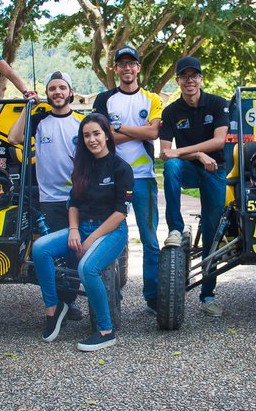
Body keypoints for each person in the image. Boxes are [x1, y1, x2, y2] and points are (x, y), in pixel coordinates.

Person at [31, 113, 133, 351]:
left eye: (96, 133)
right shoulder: (82, 167)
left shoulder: (121, 168)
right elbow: (74, 204)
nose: (92, 139)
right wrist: (74, 231)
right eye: (86, 135)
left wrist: (90, 240)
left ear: (107, 135)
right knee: (40, 248)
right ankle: (54, 309)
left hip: (111, 231)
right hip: (83, 226)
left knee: (87, 268)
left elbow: (120, 213)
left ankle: (106, 331)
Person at [8, 71, 85, 321]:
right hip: (49, 199)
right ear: (47, 94)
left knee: (76, 251)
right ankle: (57, 302)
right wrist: (28, 107)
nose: (57, 92)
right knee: (53, 253)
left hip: (78, 198)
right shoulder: (39, 120)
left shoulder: (83, 123)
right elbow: (14, 138)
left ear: (70, 92)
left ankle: (69, 300)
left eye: (62, 88)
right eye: (52, 89)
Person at [93, 46, 161, 314]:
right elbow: (100, 136)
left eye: (131, 63)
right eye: (122, 64)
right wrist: (139, 132)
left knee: (150, 240)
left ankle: (154, 297)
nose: (127, 68)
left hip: (144, 176)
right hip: (112, 177)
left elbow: (154, 132)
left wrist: (118, 128)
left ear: (138, 68)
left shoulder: (151, 98)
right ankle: (112, 297)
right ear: (115, 69)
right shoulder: (105, 99)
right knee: (110, 237)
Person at [159, 56, 229, 317]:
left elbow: (219, 141)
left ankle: (207, 294)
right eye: (184, 76)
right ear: (178, 81)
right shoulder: (171, 111)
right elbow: (166, 154)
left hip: (215, 170)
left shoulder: (218, 103)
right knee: (172, 167)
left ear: (201, 78)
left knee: (212, 233)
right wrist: (198, 155)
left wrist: (186, 151)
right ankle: (175, 229)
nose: (189, 80)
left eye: (194, 75)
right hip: (190, 167)